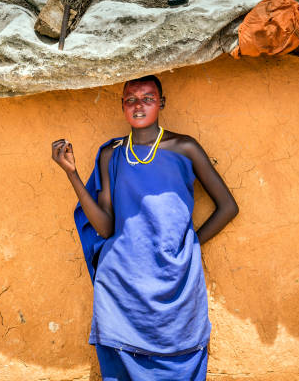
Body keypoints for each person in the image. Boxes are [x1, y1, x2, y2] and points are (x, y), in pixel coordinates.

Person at [51, 75, 238, 380]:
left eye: (148, 98)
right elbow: (106, 227)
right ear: (123, 105)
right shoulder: (112, 155)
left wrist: (190, 245)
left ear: (161, 103)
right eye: (131, 99)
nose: (139, 106)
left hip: (174, 281)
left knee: (182, 356)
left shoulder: (184, 147)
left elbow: (228, 207)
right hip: (122, 284)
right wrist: (72, 174)